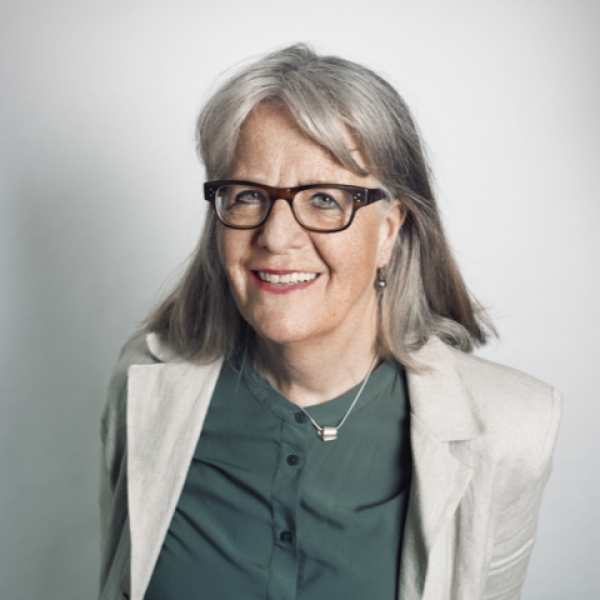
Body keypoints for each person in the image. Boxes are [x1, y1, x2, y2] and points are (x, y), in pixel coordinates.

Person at [99, 44, 561, 600]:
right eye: (247, 195)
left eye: (323, 199)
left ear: (389, 230)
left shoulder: (511, 428)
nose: (276, 237)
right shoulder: (143, 384)